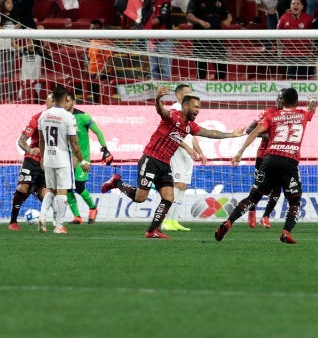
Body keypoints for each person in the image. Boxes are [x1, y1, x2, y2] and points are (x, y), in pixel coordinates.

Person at [101, 87, 243, 239]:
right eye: (195, 107)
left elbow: (209, 133)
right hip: (151, 159)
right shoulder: (174, 116)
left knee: (169, 197)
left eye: (199, 108)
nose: (198, 110)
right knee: (140, 198)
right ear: (186, 106)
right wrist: (157, 99)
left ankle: (152, 230)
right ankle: (116, 182)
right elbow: (161, 112)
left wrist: (231, 135)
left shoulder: (190, 126)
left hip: (164, 164)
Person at [217, 88, 318, 243]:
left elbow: (253, 132)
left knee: (253, 197)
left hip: (269, 159)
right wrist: (312, 100)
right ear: (296, 102)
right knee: (294, 202)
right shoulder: (303, 115)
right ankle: (286, 231)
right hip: (289, 161)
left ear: (282, 102)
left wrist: (240, 152)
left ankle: (228, 222)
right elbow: (312, 110)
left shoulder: (272, 116)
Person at [37, 85, 90, 234]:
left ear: (53, 98)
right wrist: (83, 161)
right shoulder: (68, 117)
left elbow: (41, 140)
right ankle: (59, 226)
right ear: (66, 99)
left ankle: (42, 216)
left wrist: (42, 158)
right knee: (62, 192)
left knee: (51, 190)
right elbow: (74, 143)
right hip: (62, 160)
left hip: (48, 158)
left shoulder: (44, 115)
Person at [161, 84, 207, 232]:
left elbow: (191, 135)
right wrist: (187, 147)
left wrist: (200, 152)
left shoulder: (188, 113)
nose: (191, 96)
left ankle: (174, 220)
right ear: (179, 96)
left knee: (184, 187)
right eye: (188, 94)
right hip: (176, 153)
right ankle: (166, 221)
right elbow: (171, 134)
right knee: (177, 185)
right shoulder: (175, 109)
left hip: (188, 155)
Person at [7, 92, 54, 230]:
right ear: (46, 103)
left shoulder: (63, 119)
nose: (54, 103)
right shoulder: (37, 118)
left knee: (45, 195)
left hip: (48, 162)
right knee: (22, 188)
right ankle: (13, 221)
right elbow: (21, 140)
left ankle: (50, 222)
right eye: (51, 100)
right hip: (32, 160)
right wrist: (29, 150)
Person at [64, 92, 112, 224]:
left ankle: (93, 208)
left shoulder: (83, 117)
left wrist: (105, 149)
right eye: (64, 101)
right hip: (66, 159)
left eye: (68, 101)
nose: (65, 103)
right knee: (66, 188)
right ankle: (77, 216)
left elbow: (98, 131)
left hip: (82, 159)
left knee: (79, 187)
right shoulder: (61, 118)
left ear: (73, 102)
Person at [244, 89, 285, 229]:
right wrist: (268, 136)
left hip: (282, 156)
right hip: (264, 156)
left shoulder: (292, 116)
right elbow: (249, 130)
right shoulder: (268, 112)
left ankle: (266, 216)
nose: (280, 101)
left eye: (282, 99)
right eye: (278, 98)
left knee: (277, 187)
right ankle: (251, 210)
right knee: (258, 185)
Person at [186, 0, 232, 80]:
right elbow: (189, 16)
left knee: (221, 70)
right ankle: (201, 94)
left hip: (217, 40)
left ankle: (219, 94)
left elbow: (228, 15)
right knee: (201, 71)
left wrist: (228, 21)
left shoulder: (219, 1)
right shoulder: (195, 0)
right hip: (200, 41)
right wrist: (200, 22)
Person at [142, 0, 173, 80]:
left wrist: (146, 23)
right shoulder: (144, 1)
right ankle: (154, 95)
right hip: (150, 39)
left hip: (164, 39)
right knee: (153, 69)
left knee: (165, 69)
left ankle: (167, 94)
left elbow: (162, 18)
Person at [276, 0, 314, 80]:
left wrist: (311, 53)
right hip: (288, 54)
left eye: (298, 4)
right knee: (291, 79)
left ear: (302, 7)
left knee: (304, 80)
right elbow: (277, 35)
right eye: (293, 4)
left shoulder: (308, 19)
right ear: (290, 6)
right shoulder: (284, 17)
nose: (295, 6)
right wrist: (279, 52)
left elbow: (313, 38)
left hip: (304, 54)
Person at [87, 19, 114, 104]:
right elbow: (90, 58)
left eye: (97, 29)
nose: (94, 31)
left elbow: (109, 62)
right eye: (92, 29)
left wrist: (100, 74)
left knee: (103, 100)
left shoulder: (106, 43)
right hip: (93, 74)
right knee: (96, 100)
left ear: (101, 29)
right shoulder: (91, 42)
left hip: (102, 75)